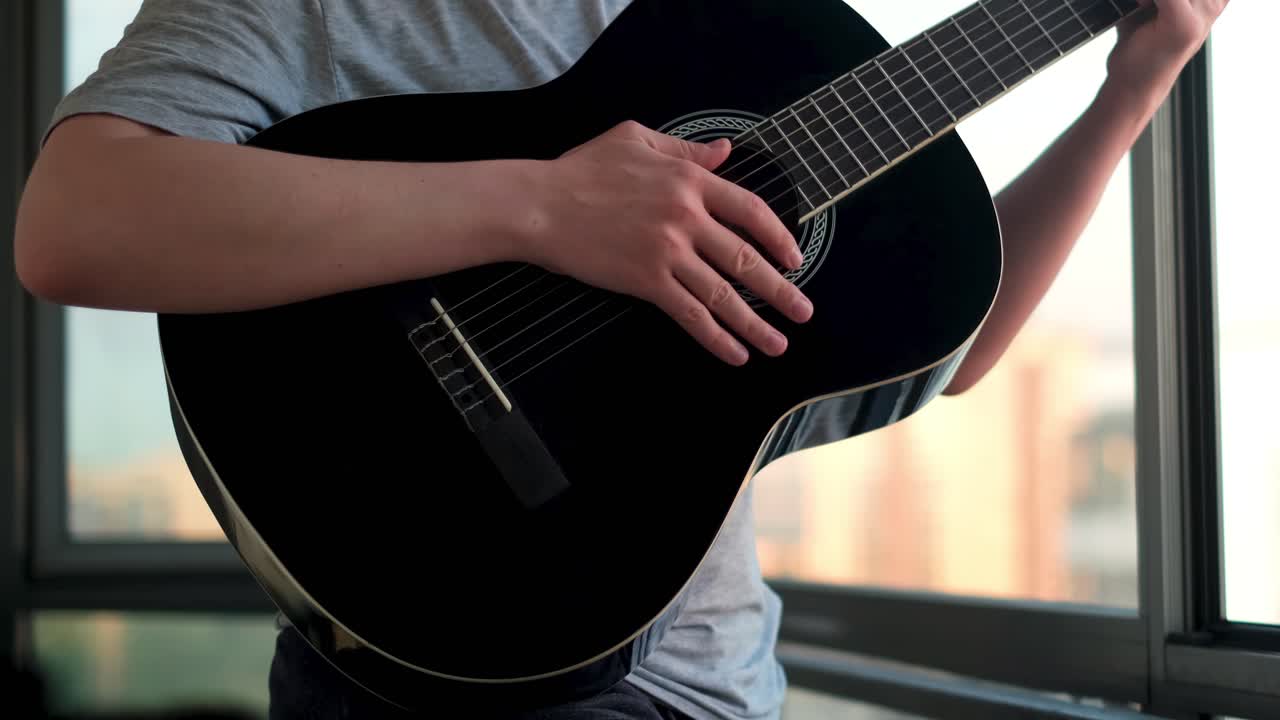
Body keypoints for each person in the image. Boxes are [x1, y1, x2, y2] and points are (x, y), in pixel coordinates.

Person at [13, 1, 1227, 718]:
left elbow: (929, 338)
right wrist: (538, 207)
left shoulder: (734, 19)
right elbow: (73, 222)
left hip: (716, 686)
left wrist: (1134, 80)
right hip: (431, 669)